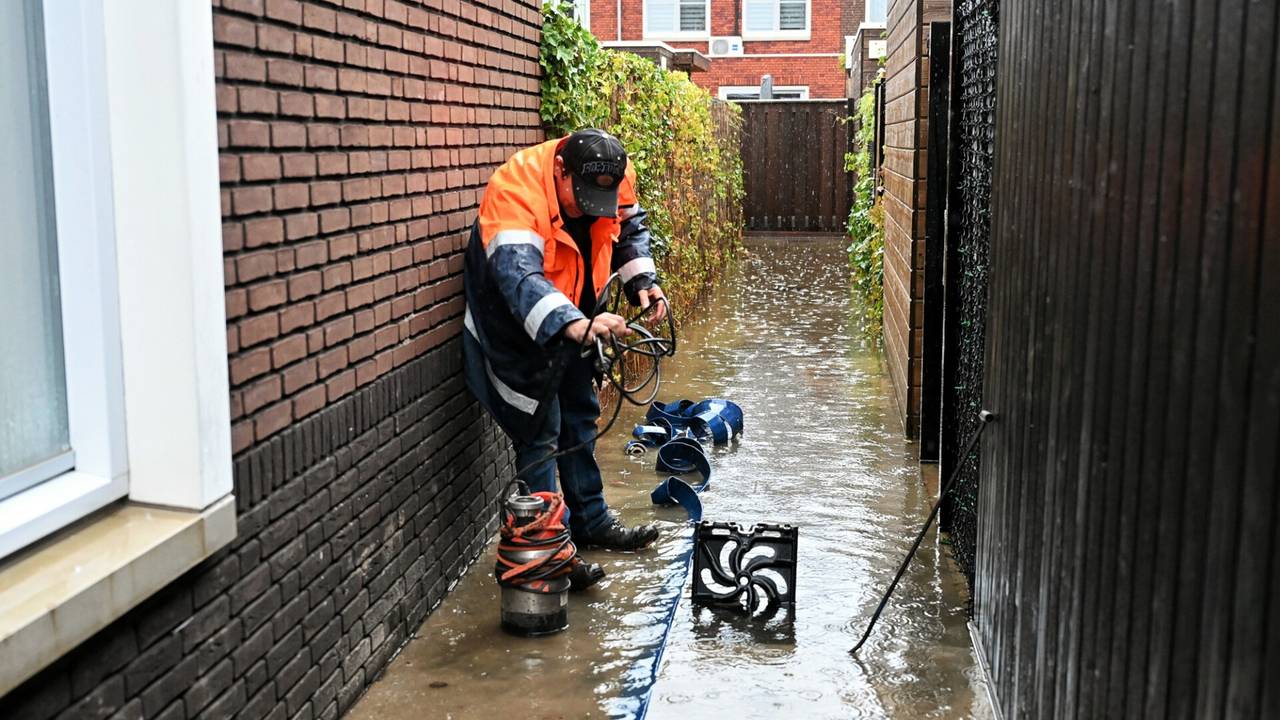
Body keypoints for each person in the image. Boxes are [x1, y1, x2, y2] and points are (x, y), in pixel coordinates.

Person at [462, 128, 665, 562]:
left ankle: (589, 523)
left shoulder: (615, 170)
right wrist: (571, 322)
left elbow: (628, 225)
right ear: (560, 170)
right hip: (512, 326)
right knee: (540, 428)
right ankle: (547, 550)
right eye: (581, 197)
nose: (589, 209)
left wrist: (643, 282)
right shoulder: (515, 189)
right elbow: (519, 277)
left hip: (577, 317)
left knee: (579, 413)